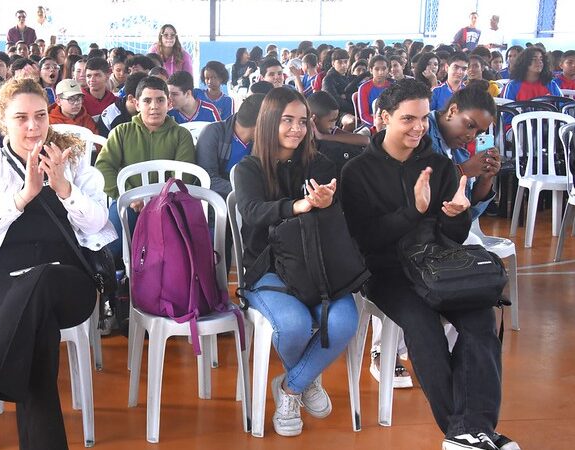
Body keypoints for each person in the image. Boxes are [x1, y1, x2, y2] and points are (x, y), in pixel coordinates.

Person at [0, 77, 114, 450]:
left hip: (67, 283)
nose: (33, 126)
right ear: (2, 121)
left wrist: (64, 188)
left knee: (41, 281)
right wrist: (23, 196)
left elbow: (99, 224)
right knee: (36, 326)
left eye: (40, 116)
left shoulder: (72, 161)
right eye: (21, 118)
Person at [339, 78, 517, 450]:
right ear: (383, 117)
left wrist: (455, 215)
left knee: (481, 320)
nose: (418, 127)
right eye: (408, 119)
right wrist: (414, 211)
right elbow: (365, 241)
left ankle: (470, 431)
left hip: (439, 266)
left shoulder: (440, 165)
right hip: (386, 271)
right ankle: (465, 431)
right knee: (423, 327)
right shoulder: (357, 172)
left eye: (422, 118)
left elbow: (452, 236)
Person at [234, 86, 358, 437]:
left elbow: (338, 218)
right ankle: (307, 379)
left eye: (303, 121)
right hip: (268, 269)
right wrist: (298, 206)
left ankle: (291, 387)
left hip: (317, 265)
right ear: (269, 121)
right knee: (294, 326)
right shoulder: (249, 168)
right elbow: (252, 211)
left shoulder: (321, 164)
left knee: (343, 322)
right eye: (287, 120)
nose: (296, 129)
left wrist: (328, 203)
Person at [94, 76, 195, 257]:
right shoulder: (122, 132)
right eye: (147, 101)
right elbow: (104, 167)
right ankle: (120, 273)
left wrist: (157, 201)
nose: (154, 106)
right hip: (128, 202)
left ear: (169, 103)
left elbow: (182, 177)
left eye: (160, 100)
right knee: (112, 246)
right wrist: (129, 195)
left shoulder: (181, 135)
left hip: (169, 205)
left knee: (174, 250)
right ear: (136, 104)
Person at [428, 85, 501, 220]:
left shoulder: (460, 154)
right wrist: (463, 170)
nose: (471, 136)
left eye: (479, 132)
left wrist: (486, 178)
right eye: (470, 125)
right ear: (452, 111)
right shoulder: (422, 132)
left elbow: (466, 216)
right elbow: (416, 187)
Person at [195, 93, 264, 200]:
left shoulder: (261, 142)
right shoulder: (213, 133)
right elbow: (207, 179)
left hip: (248, 198)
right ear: (260, 124)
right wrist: (245, 190)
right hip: (214, 200)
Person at [97, 71, 146, 137]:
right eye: (147, 100)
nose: (153, 105)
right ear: (131, 99)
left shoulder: (155, 113)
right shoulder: (110, 117)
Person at [356, 55, 392, 126]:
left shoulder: (392, 86)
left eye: (384, 69)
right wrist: (379, 124)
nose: (381, 72)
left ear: (388, 70)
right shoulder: (364, 88)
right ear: (371, 70)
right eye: (377, 69)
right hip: (371, 124)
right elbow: (364, 115)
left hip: (390, 124)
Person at [322, 49, 353, 115]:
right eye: (340, 62)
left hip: (352, 109)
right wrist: (354, 107)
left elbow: (357, 94)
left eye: (346, 62)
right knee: (351, 120)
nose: (343, 65)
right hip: (336, 113)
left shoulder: (350, 77)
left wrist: (347, 96)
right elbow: (334, 101)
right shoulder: (328, 79)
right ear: (333, 64)